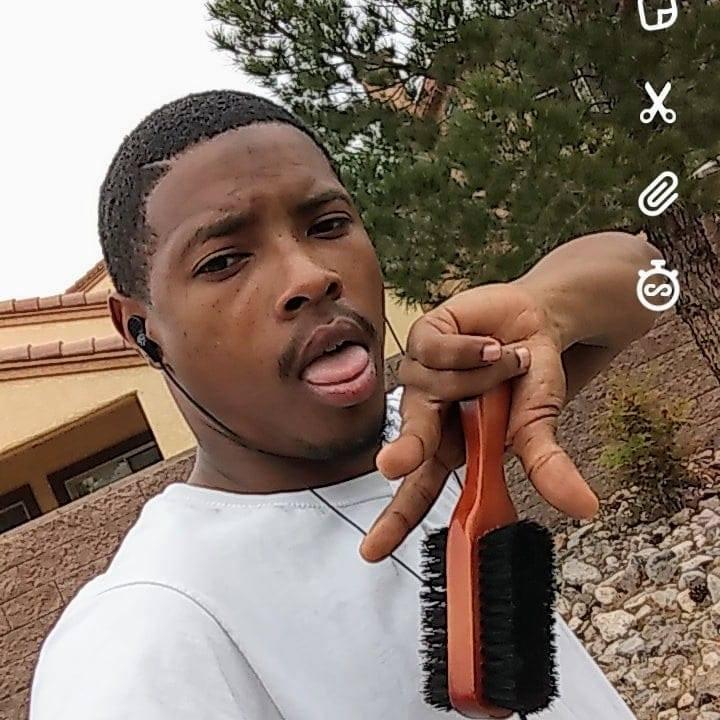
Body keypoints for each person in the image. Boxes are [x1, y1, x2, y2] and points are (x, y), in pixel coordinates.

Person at [29, 89, 660, 719]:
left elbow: (650, 274)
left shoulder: (435, 436)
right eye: (225, 260)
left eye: (328, 226)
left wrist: (545, 308)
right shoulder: (145, 633)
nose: (309, 276)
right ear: (143, 332)